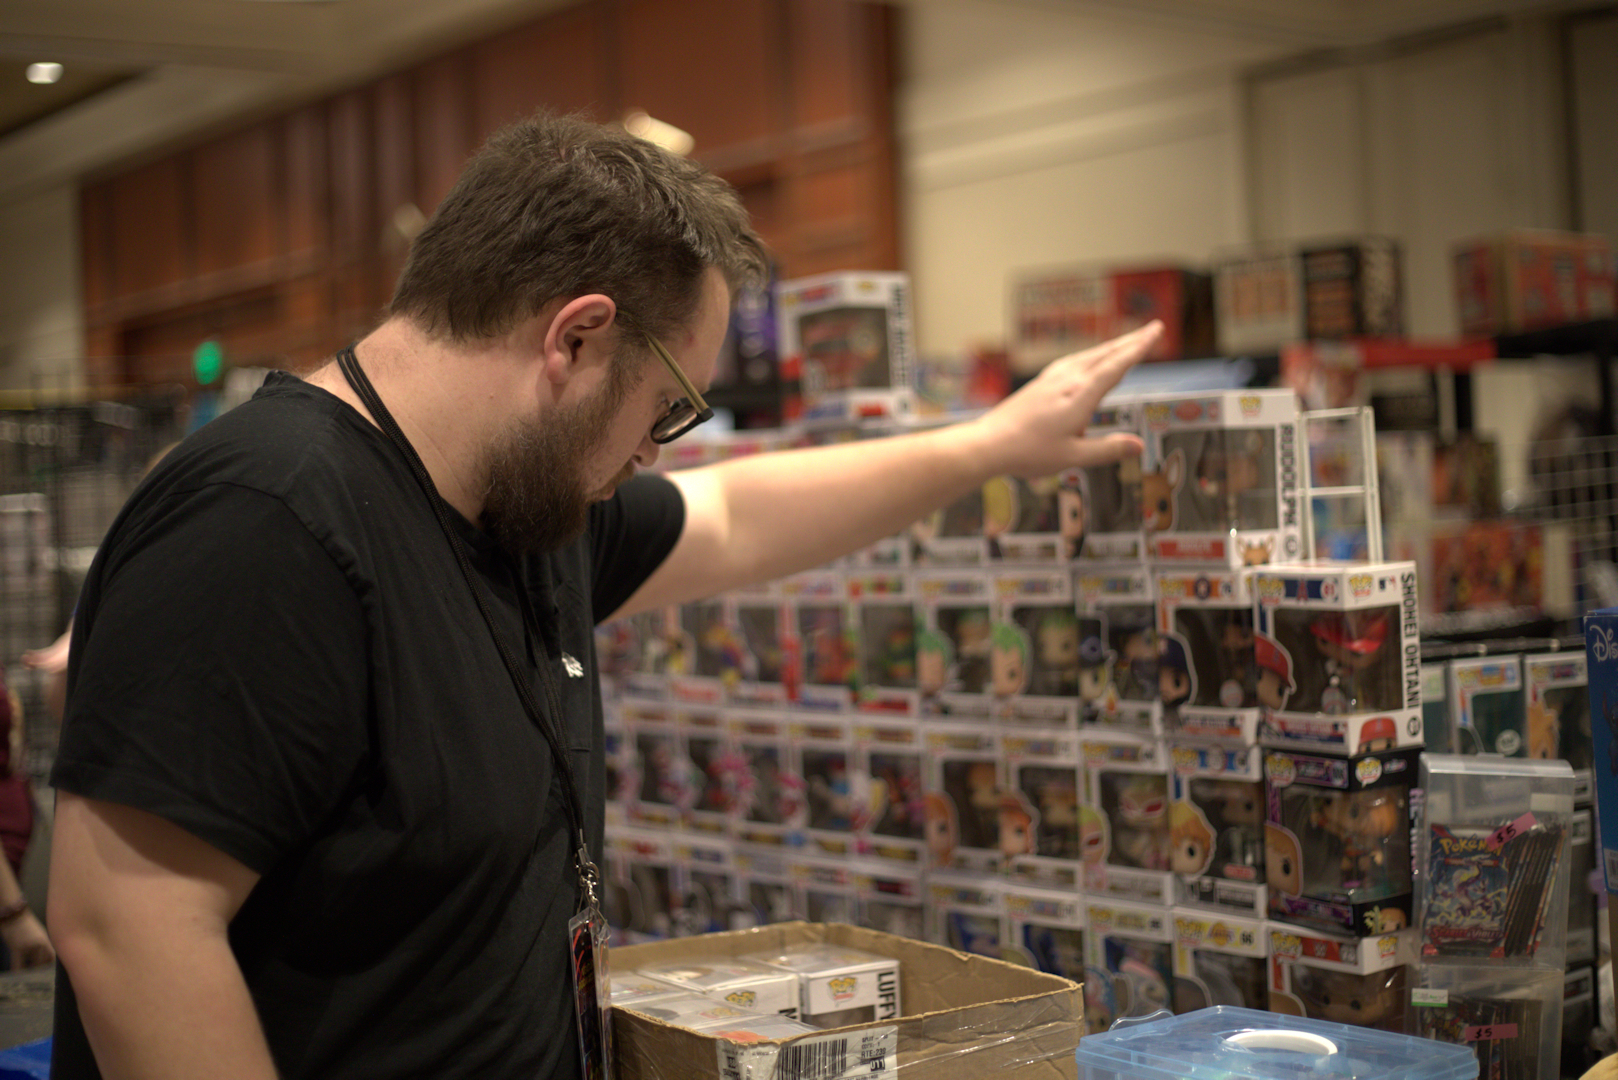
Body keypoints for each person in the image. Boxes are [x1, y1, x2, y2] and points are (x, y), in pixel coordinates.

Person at [45, 110, 1160, 1080]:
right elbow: (129, 930)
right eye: (670, 408)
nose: (656, 452)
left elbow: (734, 517)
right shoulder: (266, 518)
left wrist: (989, 446)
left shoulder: (520, 506)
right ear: (576, 338)